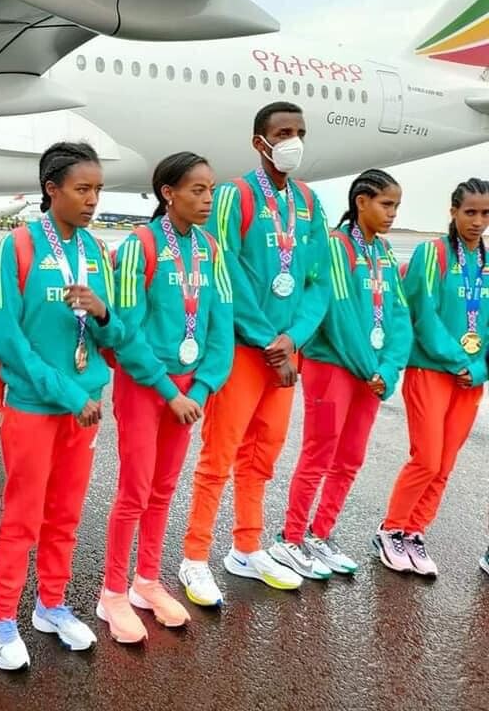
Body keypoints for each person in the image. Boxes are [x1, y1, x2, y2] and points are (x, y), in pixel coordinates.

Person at [178, 101, 332, 606]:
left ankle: (246, 547)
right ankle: (194, 557)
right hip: (246, 351)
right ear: (259, 142)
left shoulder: (308, 201)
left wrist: (295, 339)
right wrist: (269, 340)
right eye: (283, 133)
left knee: (263, 454)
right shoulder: (235, 196)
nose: (293, 141)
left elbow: (319, 281)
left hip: (286, 353)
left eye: (299, 132)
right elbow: (225, 271)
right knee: (219, 455)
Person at [0, 142, 123, 671]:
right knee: (23, 516)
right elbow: (6, 340)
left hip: (83, 409)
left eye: (98, 190)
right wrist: (69, 394)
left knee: (65, 513)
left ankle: (51, 604)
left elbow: (115, 336)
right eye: (82, 189)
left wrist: (103, 312)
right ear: (51, 189)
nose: (92, 200)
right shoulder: (15, 249)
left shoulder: (97, 252)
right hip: (35, 407)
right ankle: (2, 617)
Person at [97, 153, 233, 643]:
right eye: (197, 190)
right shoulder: (140, 246)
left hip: (188, 390)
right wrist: (167, 391)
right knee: (134, 491)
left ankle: (147, 581)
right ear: (168, 193)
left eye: (211, 189)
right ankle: (112, 592)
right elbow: (127, 332)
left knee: (163, 489)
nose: (208, 199)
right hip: (145, 385)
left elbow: (220, 327)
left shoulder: (211, 249)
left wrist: (201, 387)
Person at [269, 170, 411, 579]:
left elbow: (399, 316)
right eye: (386, 204)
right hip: (333, 370)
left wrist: (388, 369)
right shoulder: (335, 246)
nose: (392, 213)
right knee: (319, 453)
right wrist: (372, 369)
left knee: (350, 458)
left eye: (396, 206)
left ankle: (320, 532)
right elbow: (340, 315)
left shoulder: (384, 253)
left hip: (371, 376)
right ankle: (291, 538)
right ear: (361, 202)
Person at [377, 178, 489, 577]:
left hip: (471, 379)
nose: (477, 221)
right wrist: (459, 360)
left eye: (485, 214)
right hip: (432, 370)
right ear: (453, 211)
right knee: (426, 458)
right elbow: (423, 315)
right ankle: (391, 530)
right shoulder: (433, 254)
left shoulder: (486, 263)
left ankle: (415, 531)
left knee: (444, 464)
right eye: (470, 212)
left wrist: (479, 368)